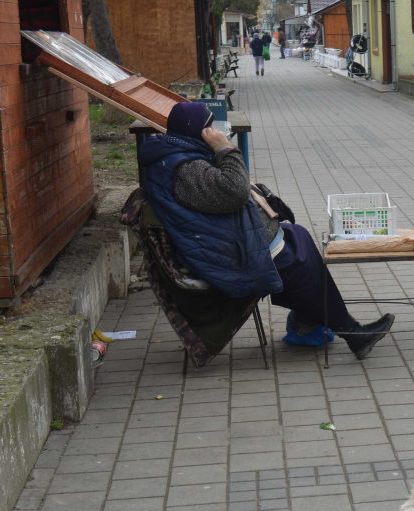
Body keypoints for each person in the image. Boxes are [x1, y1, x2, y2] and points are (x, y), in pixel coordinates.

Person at [137, 102, 395, 359]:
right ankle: (351, 333)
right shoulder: (186, 169)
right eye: (209, 127)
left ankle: (309, 322)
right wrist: (225, 148)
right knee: (298, 265)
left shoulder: (175, 153)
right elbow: (235, 191)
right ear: (195, 131)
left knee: (300, 237)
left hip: (217, 239)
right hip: (218, 252)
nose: (214, 131)